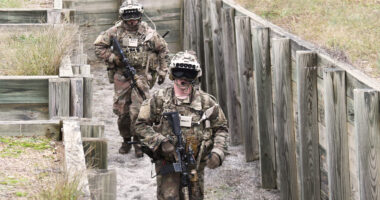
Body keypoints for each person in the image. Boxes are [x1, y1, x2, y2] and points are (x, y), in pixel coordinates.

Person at [135, 51, 229, 199]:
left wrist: (218, 152)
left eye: (189, 73)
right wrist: (161, 142)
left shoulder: (206, 102)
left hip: (195, 165)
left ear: (195, 76)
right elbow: (140, 125)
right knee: (169, 196)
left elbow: (221, 128)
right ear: (172, 74)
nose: (183, 78)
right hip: (168, 163)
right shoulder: (159, 99)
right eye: (179, 72)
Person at [94, 0, 169, 157]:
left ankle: (139, 142)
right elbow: (99, 47)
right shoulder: (115, 31)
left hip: (141, 76)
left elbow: (163, 50)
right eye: (128, 17)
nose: (132, 20)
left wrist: (163, 71)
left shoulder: (148, 33)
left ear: (140, 15)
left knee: (139, 111)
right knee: (122, 112)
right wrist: (113, 58)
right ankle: (126, 140)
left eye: (135, 16)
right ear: (123, 16)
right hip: (122, 76)